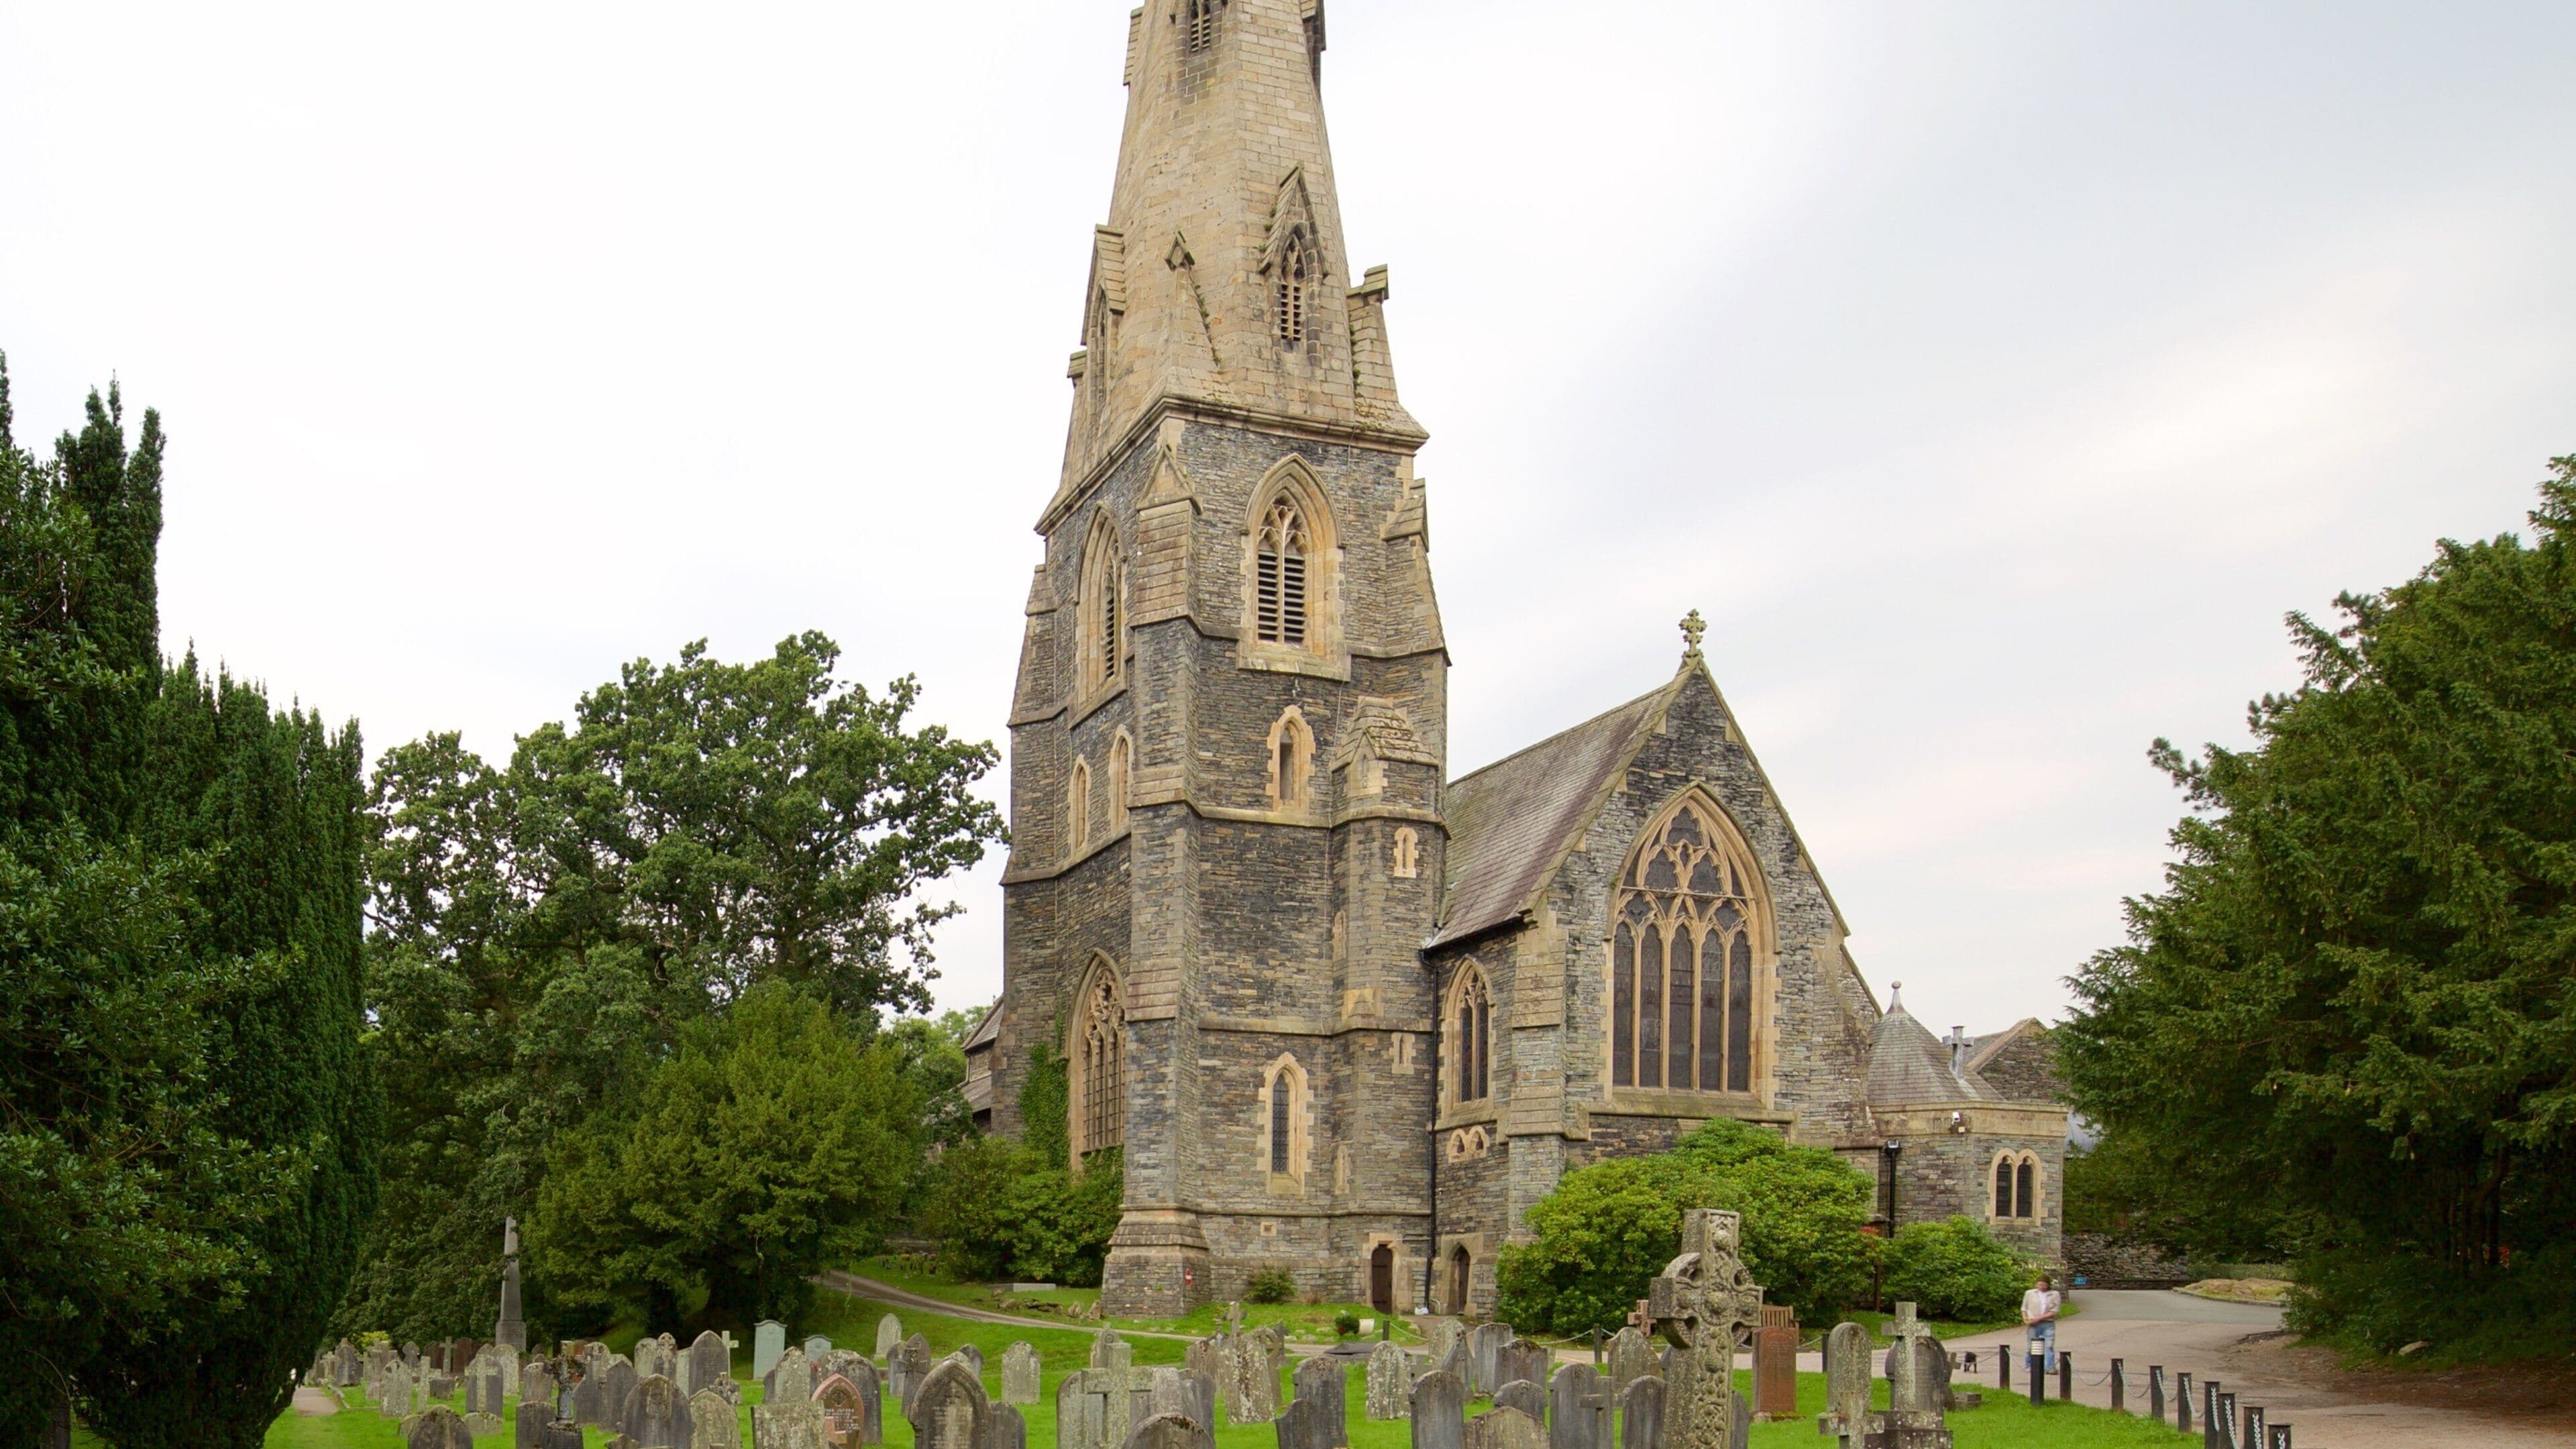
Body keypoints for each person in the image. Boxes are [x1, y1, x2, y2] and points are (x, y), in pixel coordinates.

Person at [2021, 1272, 2062, 1373]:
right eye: (2040, 1284)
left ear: (2048, 1285)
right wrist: (2026, 1319)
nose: (2042, 1287)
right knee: (2032, 1346)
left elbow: (2055, 1310)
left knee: (2048, 1345)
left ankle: (2049, 1367)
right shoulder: (2029, 1293)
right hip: (2033, 1324)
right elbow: (2024, 1308)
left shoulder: (2054, 1294)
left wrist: (2039, 1318)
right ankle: (2029, 1365)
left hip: (2048, 1323)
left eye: (2044, 1285)